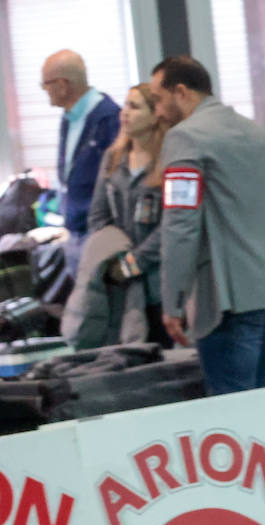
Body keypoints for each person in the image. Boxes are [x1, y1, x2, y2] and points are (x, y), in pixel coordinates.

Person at [150, 56, 265, 395]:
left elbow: (180, 226)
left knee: (233, 416)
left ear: (180, 92)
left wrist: (173, 302)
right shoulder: (260, 134)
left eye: (157, 99)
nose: (156, 111)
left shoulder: (185, 139)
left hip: (231, 297)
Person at [87, 83, 171, 347]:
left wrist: (134, 263)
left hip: (162, 282)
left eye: (135, 107)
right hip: (121, 286)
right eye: (126, 105)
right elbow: (98, 217)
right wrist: (117, 261)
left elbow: (173, 224)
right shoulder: (113, 157)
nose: (125, 113)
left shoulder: (170, 159)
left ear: (156, 113)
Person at [41, 50, 120, 285]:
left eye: (46, 84)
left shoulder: (109, 118)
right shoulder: (69, 117)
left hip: (97, 233)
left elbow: (115, 183)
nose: (45, 90)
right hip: (75, 232)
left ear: (63, 85)